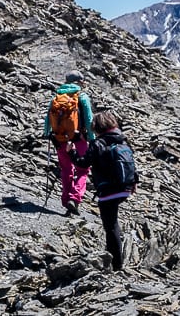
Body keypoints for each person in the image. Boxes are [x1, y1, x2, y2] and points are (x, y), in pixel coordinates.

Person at [67, 111, 135, 271]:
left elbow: (83, 164)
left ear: (97, 127)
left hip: (108, 190)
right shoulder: (123, 140)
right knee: (113, 223)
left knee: (110, 226)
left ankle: (116, 265)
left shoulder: (98, 144)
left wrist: (71, 152)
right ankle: (114, 259)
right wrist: (133, 183)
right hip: (125, 188)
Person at [43, 70, 94, 216]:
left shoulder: (57, 97)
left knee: (66, 170)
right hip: (79, 140)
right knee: (83, 170)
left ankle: (66, 200)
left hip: (60, 139)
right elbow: (89, 120)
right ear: (79, 82)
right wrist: (92, 138)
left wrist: (48, 134)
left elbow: (48, 120)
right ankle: (75, 198)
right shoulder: (82, 97)